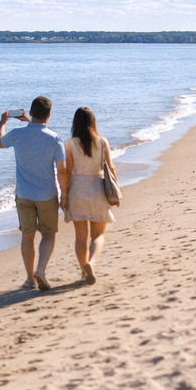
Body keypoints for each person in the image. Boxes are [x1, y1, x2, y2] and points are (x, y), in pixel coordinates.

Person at [0, 95, 69, 290]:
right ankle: (40, 269)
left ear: (30, 112)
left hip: (24, 194)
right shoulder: (55, 139)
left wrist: (2, 123)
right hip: (47, 195)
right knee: (48, 234)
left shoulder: (17, 134)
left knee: (27, 236)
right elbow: (61, 171)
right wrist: (64, 196)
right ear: (49, 115)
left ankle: (30, 280)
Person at [62, 106, 119, 285]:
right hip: (98, 190)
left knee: (80, 237)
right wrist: (116, 192)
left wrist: (63, 195)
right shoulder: (102, 142)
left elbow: (68, 172)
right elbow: (110, 169)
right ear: (93, 122)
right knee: (98, 236)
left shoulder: (69, 144)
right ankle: (91, 263)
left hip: (77, 191)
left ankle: (84, 270)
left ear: (75, 123)